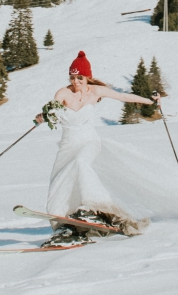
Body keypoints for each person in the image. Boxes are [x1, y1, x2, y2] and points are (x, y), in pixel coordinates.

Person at [35, 51, 162, 247]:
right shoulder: (63, 93)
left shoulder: (95, 92)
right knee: (59, 186)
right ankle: (67, 226)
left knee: (81, 163)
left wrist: (151, 101)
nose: (76, 82)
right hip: (68, 145)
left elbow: (123, 96)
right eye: (73, 77)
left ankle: (91, 208)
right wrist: (44, 116)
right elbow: (51, 109)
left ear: (88, 77)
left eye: (80, 78)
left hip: (89, 141)